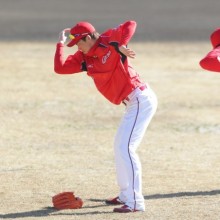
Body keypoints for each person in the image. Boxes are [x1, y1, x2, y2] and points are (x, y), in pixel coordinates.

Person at [54, 20, 157, 213]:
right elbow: (60, 68)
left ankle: (136, 202)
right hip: (131, 104)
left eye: (79, 42)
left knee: (126, 148)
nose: (77, 47)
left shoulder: (109, 39)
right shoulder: (84, 58)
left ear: (88, 37)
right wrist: (60, 45)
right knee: (120, 148)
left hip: (141, 99)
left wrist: (119, 45)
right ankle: (126, 195)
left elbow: (131, 24)